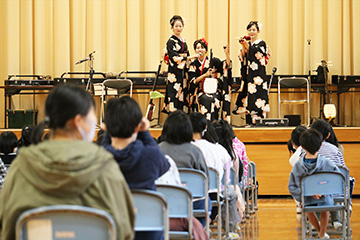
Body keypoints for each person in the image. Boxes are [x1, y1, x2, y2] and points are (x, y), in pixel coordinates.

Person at [0, 85, 135, 240]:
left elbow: (7, 228)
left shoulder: (21, 166)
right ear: (78, 121)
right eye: (93, 116)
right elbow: (124, 230)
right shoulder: (106, 167)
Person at [101, 96, 170, 240]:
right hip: (149, 233)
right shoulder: (150, 155)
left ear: (105, 127)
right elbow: (164, 165)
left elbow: (104, 150)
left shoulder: (99, 160)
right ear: (138, 126)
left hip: (112, 232)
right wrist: (145, 133)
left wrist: (108, 132)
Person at [158, 110, 210, 227]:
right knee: (207, 204)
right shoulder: (195, 152)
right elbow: (205, 181)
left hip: (164, 200)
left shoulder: (158, 150)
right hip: (192, 201)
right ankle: (198, 230)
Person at [288, 129, 340, 239]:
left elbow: (292, 186)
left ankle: (320, 233)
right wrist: (325, 191)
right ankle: (322, 234)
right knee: (325, 210)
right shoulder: (327, 163)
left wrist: (304, 195)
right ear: (321, 145)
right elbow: (337, 178)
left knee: (308, 210)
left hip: (307, 199)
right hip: (325, 198)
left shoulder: (298, 165)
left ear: (302, 146)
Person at [233, 21, 270, 125]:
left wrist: (246, 45)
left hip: (258, 76)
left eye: (253, 30)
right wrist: (244, 46)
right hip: (249, 75)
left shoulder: (261, 43)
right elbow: (244, 56)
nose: (251, 32)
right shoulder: (248, 43)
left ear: (258, 31)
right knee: (249, 98)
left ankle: (259, 122)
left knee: (258, 98)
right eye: (249, 30)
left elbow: (255, 53)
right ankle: (249, 122)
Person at [163, 15, 199, 113]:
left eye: (180, 26)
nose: (179, 28)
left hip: (183, 73)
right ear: (172, 27)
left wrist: (190, 64)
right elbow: (174, 58)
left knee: (182, 96)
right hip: (174, 72)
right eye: (176, 26)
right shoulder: (170, 41)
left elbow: (187, 54)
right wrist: (189, 58)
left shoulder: (183, 41)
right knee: (174, 96)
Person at [198, 45, 232, 122]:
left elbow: (227, 65)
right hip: (203, 92)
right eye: (212, 67)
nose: (213, 69)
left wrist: (227, 54)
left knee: (215, 99)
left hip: (216, 93)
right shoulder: (203, 69)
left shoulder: (219, 75)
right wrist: (206, 75)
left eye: (215, 67)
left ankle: (214, 121)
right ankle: (205, 122)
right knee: (204, 98)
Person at [188, 38, 210, 112]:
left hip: (210, 89)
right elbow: (193, 81)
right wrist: (205, 75)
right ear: (195, 50)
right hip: (197, 90)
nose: (200, 50)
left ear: (206, 50)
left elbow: (225, 66)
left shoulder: (211, 62)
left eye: (202, 48)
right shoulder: (193, 64)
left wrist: (227, 54)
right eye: (198, 48)